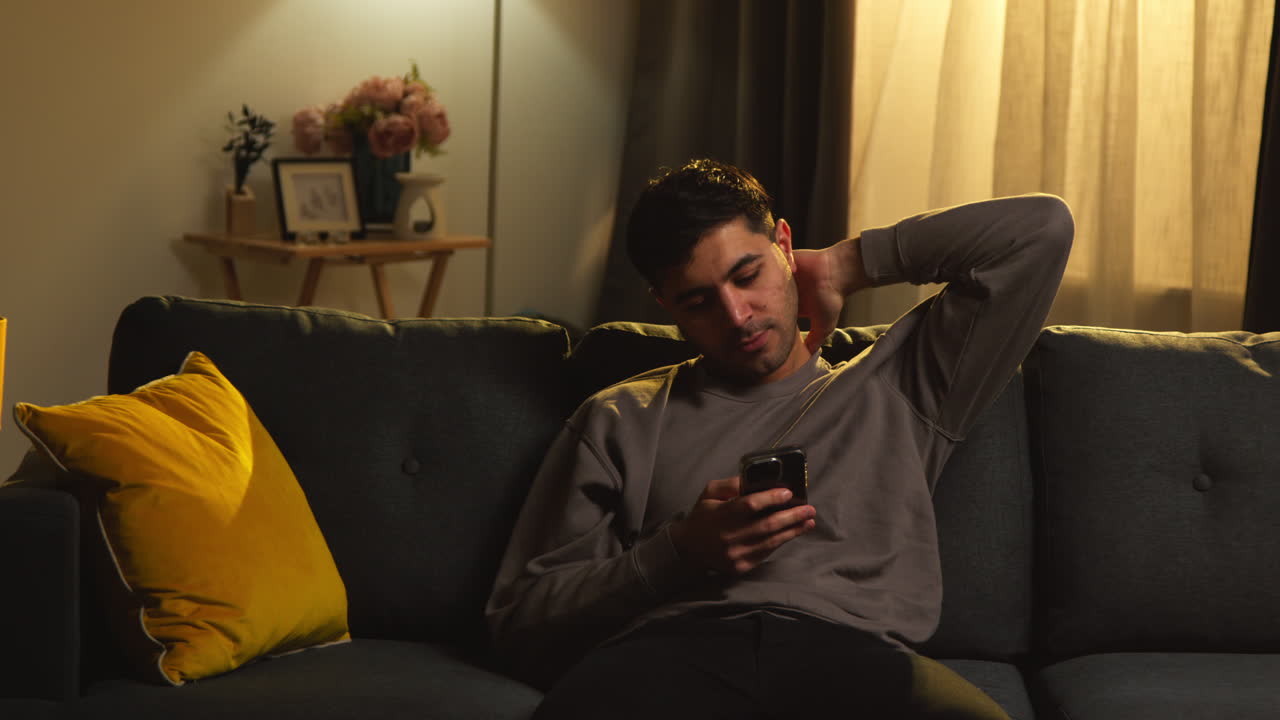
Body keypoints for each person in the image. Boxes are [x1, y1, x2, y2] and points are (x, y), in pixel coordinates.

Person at [486, 159, 1073, 718]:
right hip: (673, 655)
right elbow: (520, 624)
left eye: (748, 275)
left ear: (785, 246)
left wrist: (847, 264)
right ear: (665, 306)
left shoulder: (904, 384)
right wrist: (678, 553)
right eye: (698, 301)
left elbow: (1041, 230)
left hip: (855, 657)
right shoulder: (619, 418)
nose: (737, 316)